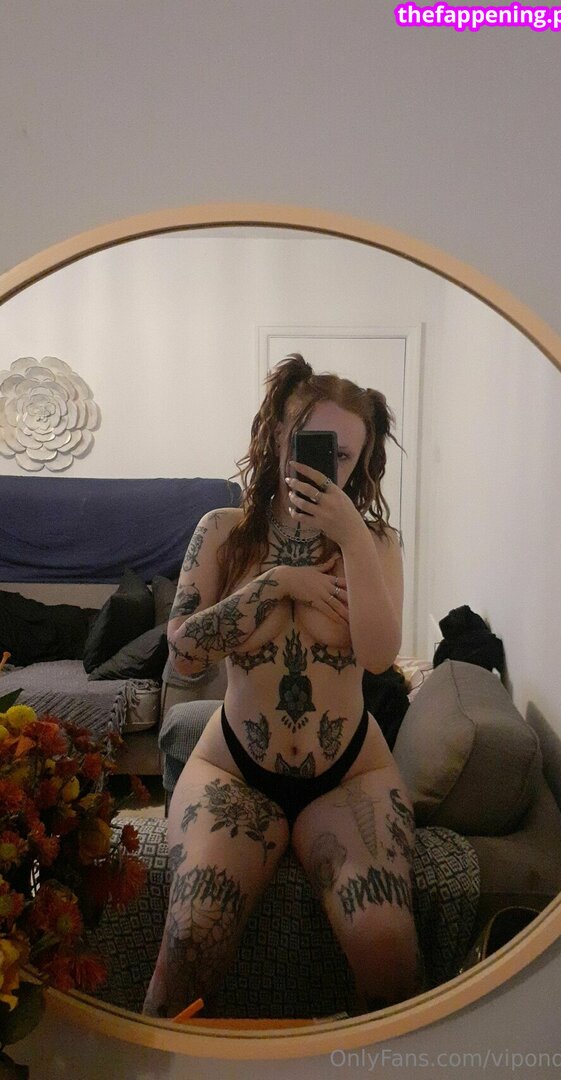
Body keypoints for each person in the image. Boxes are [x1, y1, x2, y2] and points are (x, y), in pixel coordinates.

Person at [143, 354, 421, 1017]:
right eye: (310, 442)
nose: (327, 466)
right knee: (191, 938)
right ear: (277, 435)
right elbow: (183, 655)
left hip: (349, 774)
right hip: (235, 769)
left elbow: (378, 656)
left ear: (362, 462)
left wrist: (350, 538)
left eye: (344, 455)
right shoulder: (222, 531)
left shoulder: (376, 542)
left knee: (387, 946)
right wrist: (277, 584)